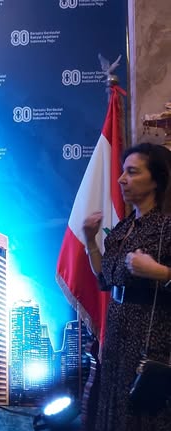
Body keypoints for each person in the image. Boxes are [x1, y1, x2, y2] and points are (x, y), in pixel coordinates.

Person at [83, 142, 171, 430]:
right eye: (123, 172)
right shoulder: (124, 227)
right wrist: (90, 241)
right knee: (113, 407)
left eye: (132, 172)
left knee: (143, 413)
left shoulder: (167, 225)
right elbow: (105, 278)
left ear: (156, 180)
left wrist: (158, 272)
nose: (122, 179)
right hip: (118, 333)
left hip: (151, 336)